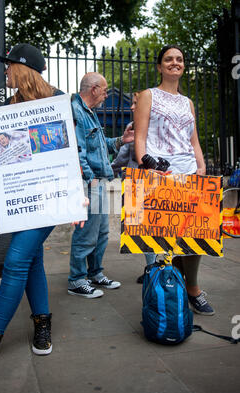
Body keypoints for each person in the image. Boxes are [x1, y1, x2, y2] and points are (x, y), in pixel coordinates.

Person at [0, 43, 87, 374]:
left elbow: (75, 151)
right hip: (24, 196)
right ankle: (42, 323)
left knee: (14, 260)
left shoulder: (61, 100)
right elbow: (12, 154)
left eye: (8, 65)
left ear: (22, 68)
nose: (5, 71)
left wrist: (77, 197)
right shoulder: (11, 105)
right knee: (33, 259)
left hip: (51, 195)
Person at [134, 45, 215, 315]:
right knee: (164, 239)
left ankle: (192, 288)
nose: (174, 63)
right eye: (168, 59)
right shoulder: (148, 96)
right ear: (159, 66)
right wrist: (146, 164)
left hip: (190, 172)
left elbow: (193, 139)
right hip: (161, 173)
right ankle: (169, 290)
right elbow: (141, 137)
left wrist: (201, 165)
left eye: (179, 59)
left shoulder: (187, 102)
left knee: (196, 234)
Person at [68, 72, 134, 298]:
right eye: (105, 90)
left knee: (102, 233)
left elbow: (98, 145)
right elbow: (78, 152)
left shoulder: (90, 113)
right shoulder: (76, 112)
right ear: (94, 89)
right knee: (86, 234)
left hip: (98, 181)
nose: (106, 95)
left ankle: (95, 273)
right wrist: (91, 180)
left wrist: (120, 141)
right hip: (90, 183)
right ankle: (77, 280)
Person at [111, 92, 156, 282]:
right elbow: (122, 157)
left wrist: (112, 167)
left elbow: (122, 159)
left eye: (135, 103)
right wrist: (111, 168)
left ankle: (156, 269)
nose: (131, 107)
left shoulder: (145, 127)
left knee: (152, 227)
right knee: (143, 229)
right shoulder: (133, 126)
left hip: (149, 183)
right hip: (137, 184)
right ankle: (153, 268)